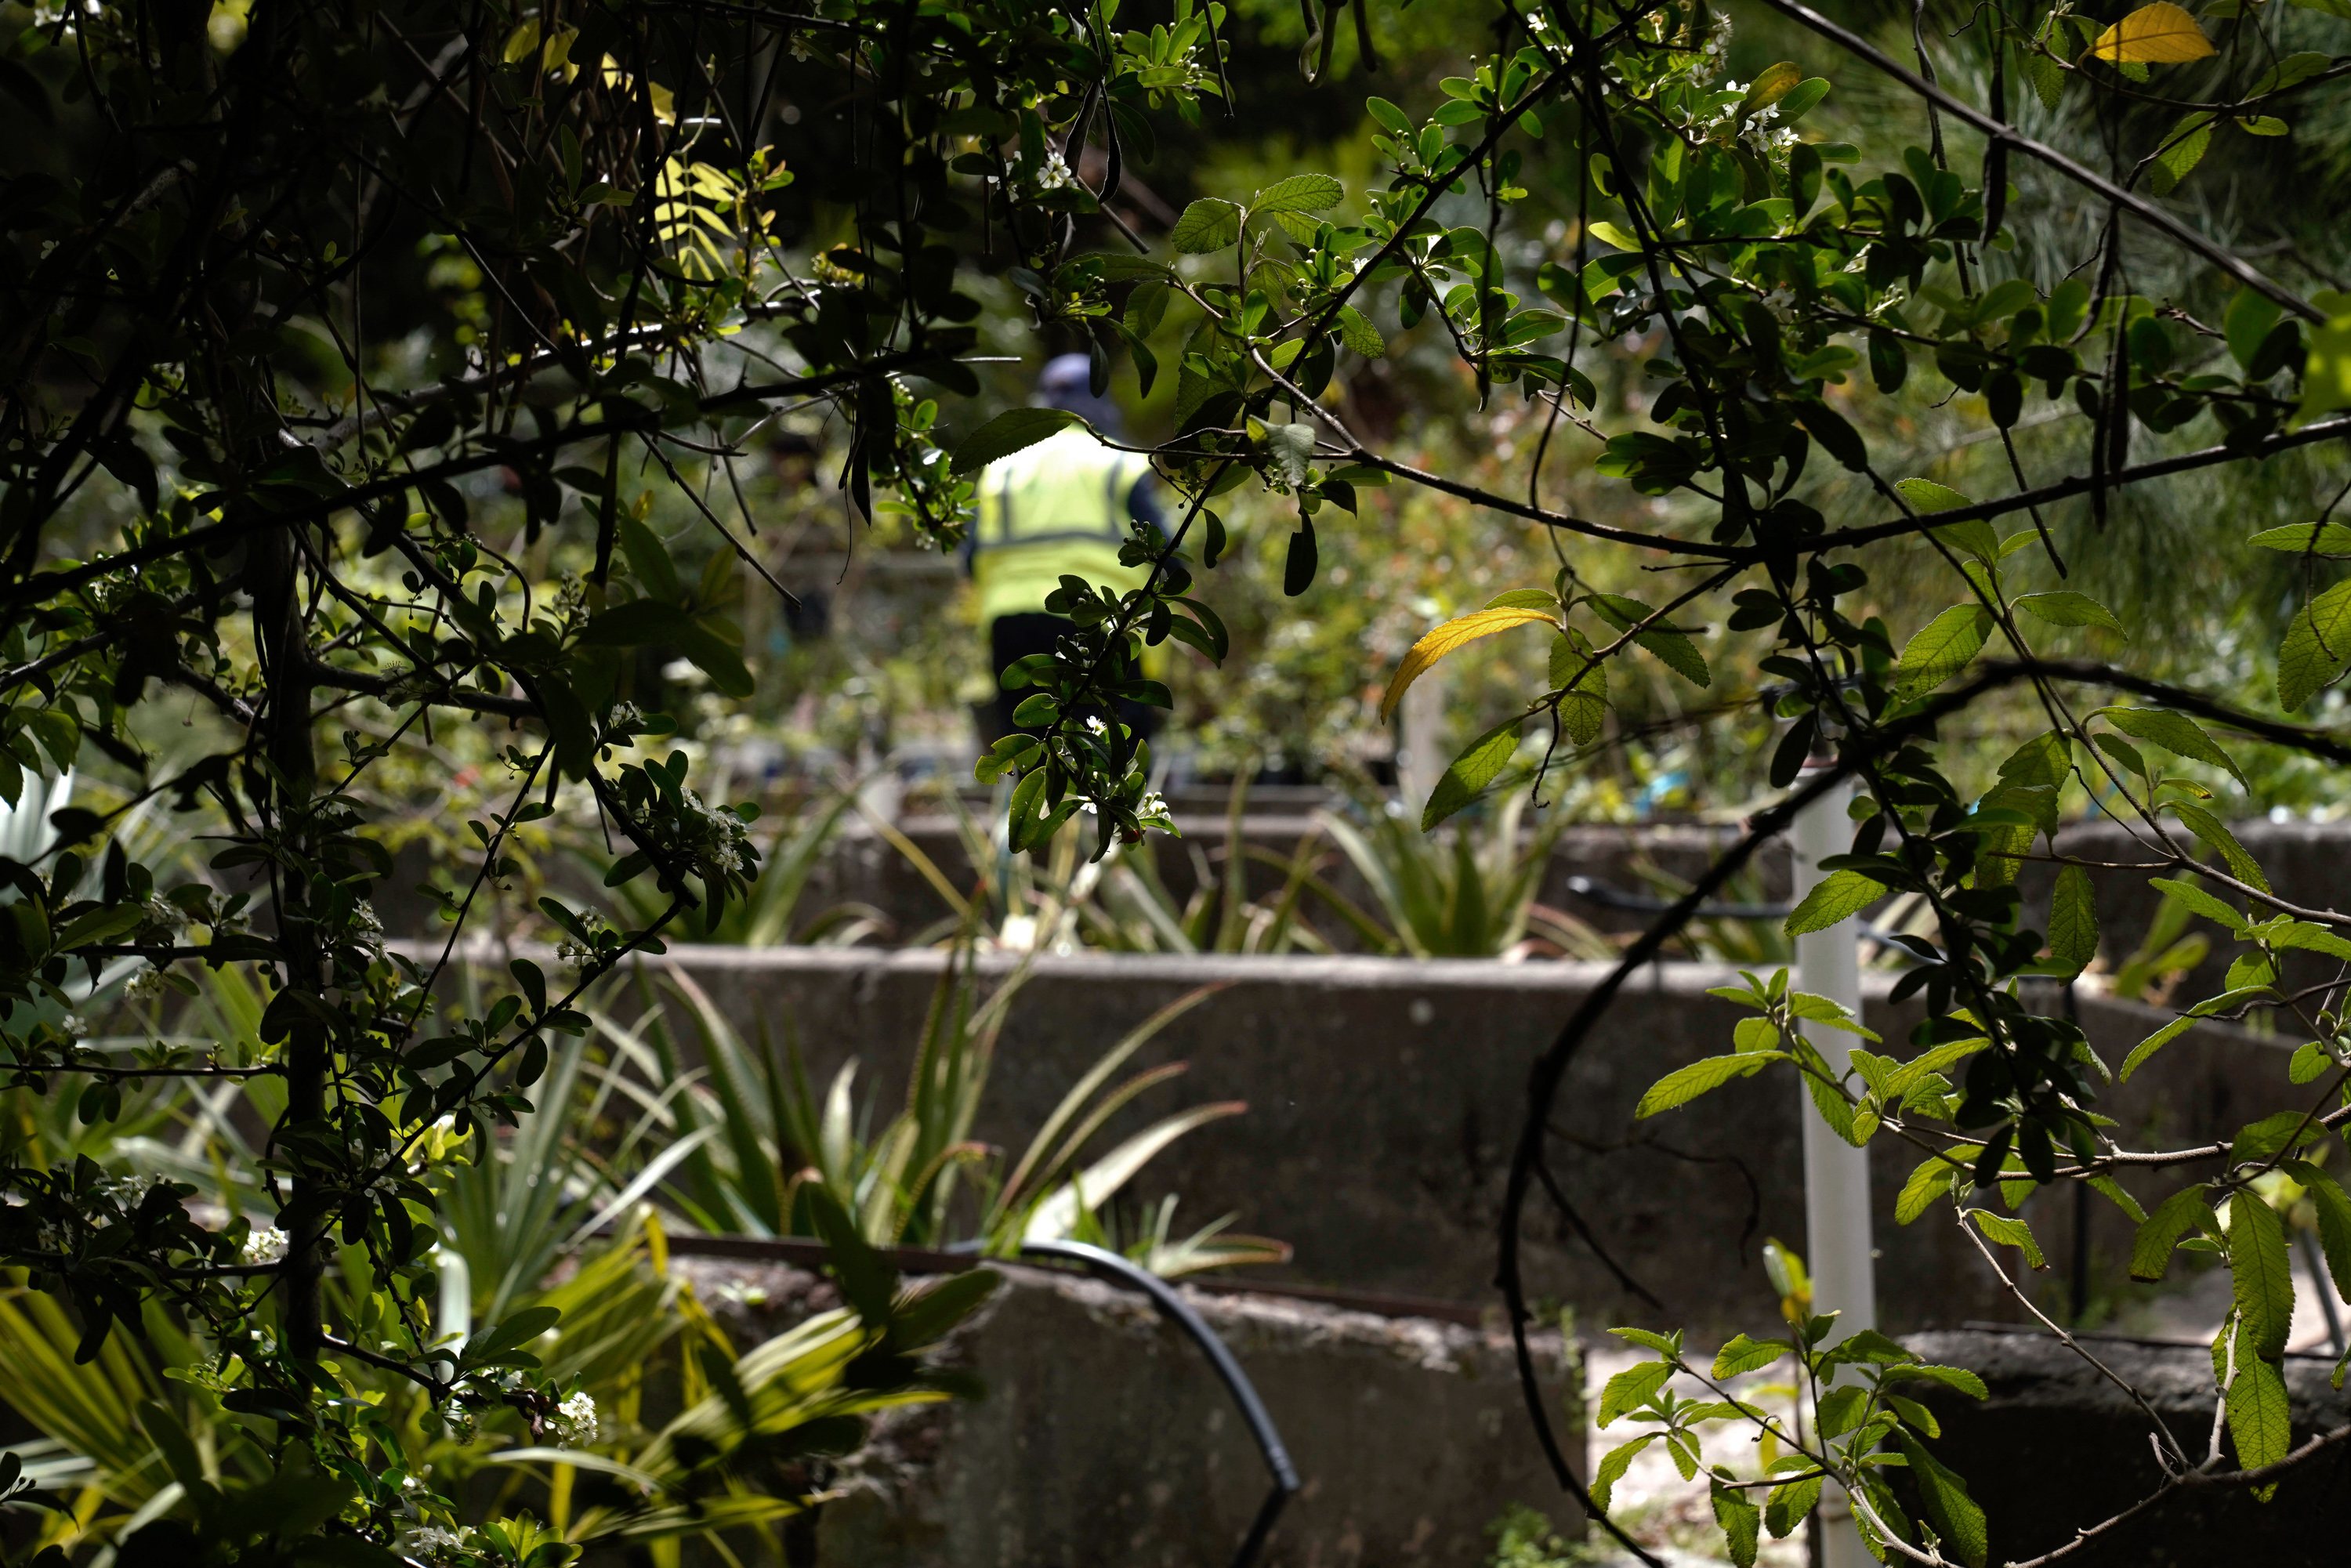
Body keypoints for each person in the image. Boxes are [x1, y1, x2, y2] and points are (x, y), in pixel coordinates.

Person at [965, 353, 1168, 741]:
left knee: (1029, 746)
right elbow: (1169, 552)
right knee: (1113, 747)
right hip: (1099, 617)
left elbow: (971, 556)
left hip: (1011, 622)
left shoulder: (1002, 466)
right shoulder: (1117, 462)